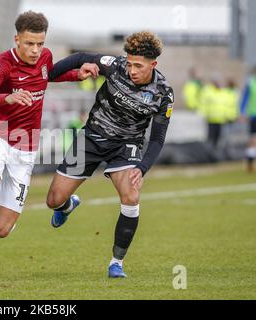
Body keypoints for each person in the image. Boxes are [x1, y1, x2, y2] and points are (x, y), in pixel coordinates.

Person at [0, 11, 97, 282]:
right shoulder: (2, 63)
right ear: (17, 39)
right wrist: (8, 97)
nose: (36, 50)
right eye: (29, 44)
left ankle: (63, 205)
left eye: (40, 43)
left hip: (25, 150)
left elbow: (47, 76)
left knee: (1, 230)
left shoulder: (45, 57)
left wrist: (76, 74)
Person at [45, 31, 174, 279]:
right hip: (91, 138)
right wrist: (47, 76)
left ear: (153, 64)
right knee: (53, 200)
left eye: (139, 65)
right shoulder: (114, 65)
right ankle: (68, 205)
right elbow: (81, 56)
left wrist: (142, 168)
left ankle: (117, 263)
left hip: (126, 145)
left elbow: (157, 138)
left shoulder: (163, 93)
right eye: (130, 63)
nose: (132, 70)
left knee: (131, 196)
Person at [240, 66, 256, 173]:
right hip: (253, 115)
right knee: (252, 139)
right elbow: (245, 99)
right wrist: (242, 112)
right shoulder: (250, 83)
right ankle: (250, 163)